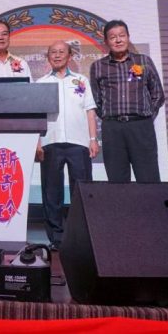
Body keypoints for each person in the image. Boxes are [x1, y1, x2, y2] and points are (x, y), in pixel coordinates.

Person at [36, 40, 99, 251]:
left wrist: (93, 139)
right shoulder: (41, 83)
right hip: (50, 142)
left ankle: (80, 236)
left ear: (70, 56)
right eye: (53, 52)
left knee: (81, 191)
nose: (57, 55)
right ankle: (56, 237)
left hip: (79, 143)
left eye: (61, 52)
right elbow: (37, 116)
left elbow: (90, 111)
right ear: (48, 57)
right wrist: (37, 142)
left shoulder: (81, 80)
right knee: (51, 192)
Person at [89, 20, 165, 183]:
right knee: (117, 181)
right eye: (113, 37)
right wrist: (111, 119)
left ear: (128, 37)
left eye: (122, 36)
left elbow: (158, 94)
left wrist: (145, 118)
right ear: (106, 41)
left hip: (141, 127)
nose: (118, 40)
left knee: (149, 179)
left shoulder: (143, 61)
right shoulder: (98, 66)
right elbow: (96, 100)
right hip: (112, 129)